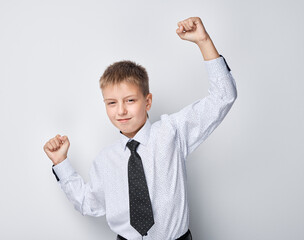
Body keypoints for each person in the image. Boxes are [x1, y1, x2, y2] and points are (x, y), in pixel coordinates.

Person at [43, 16, 237, 240]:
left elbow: (224, 96)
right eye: (112, 103)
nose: (121, 111)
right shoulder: (106, 159)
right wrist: (61, 162)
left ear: (148, 102)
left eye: (130, 100)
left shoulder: (171, 132)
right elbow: (89, 204)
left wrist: (203, 41)